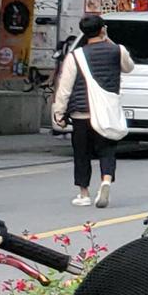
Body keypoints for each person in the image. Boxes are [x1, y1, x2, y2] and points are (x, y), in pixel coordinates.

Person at [50, 14, 125, 207]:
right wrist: (108, 39)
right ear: (103, 29)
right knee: (107, 148)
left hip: (81, 113)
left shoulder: (76, 56)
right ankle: (106, 180)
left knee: (81, 153)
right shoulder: (118, 50)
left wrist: (59, 112)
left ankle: (83, 194)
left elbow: (65, 88)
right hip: (106, 112)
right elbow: (129, 67)